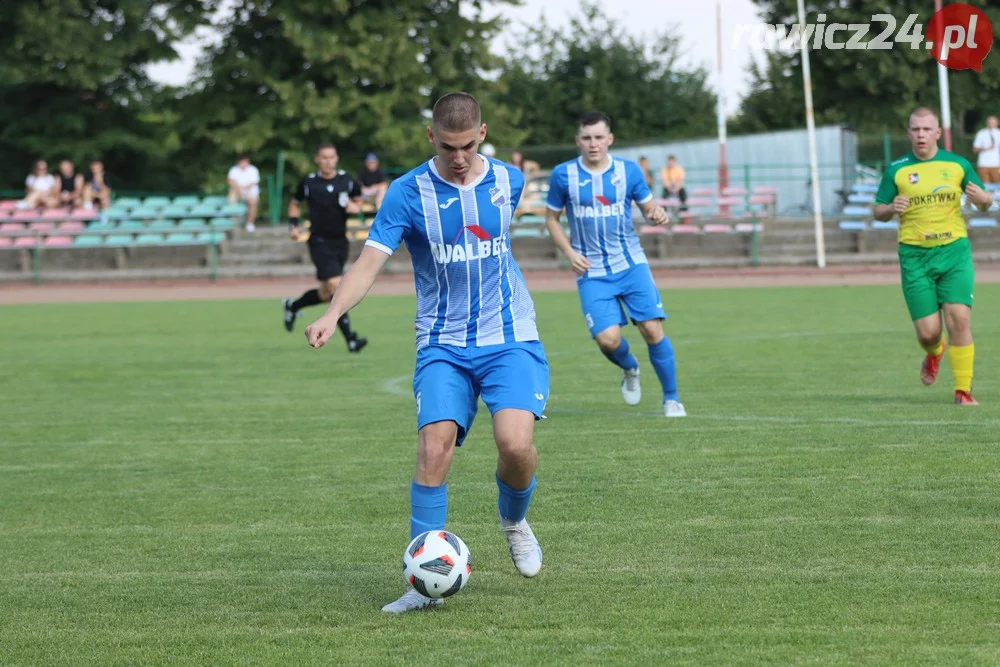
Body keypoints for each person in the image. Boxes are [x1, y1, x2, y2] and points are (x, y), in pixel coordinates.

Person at [304, 92, 548, 614]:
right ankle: (422, 587)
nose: (457, 157)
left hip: (509, 334)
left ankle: (513, 520)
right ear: (430, 137)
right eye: (446, 146)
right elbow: (370, 261)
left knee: (515, 446)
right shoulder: (406, 192)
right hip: (441, 340)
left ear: (482, 133)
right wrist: (332, 314)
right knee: (433, 449)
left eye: (466, 145)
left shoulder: (510, 180)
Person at [545, 111, 685, 418]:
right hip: (591, 270)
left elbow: (649, 208)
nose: (593, 144)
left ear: (610, 139)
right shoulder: (562, 175)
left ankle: (672, 399)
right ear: (577, 140)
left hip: (630, 263)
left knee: (651, 328)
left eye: (598, 137)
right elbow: (551, 219)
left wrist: (657, 214)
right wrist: (569, 253)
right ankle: (630, 367)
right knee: (608, 340)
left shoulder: (629, 171)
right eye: (586, 138)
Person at [874, 106, 993, 405]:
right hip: (914, 256)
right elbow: (878, 210)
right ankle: (934, 352)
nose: (921, 134)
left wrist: (983, 200)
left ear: (938, 132)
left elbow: (985, 201)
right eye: (915, 129)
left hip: (954, 251)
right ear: (909, 133)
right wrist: (890, 208)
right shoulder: (897, 169)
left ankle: (963, 391)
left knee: (960, 321)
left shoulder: (957, 165)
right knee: (929, 334)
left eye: (927, 129)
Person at [282, 143, 368, 353]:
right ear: (317, 159)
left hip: (340, 241)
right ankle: (351, 340)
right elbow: (294, 203)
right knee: (337, 286)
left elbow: (359, 200)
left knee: (326, 292)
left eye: (331, 157)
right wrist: (293, 226)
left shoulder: (346, 180)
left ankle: (293, 306)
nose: (328, 161)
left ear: (336, 158)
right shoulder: (310, 183)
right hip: (318, 241)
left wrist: (355, 206)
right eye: (324, 157)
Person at [227, 154, 260, 231]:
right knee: (231, 199)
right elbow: (230, 180)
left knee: (253, 203)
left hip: (250, 192)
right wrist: (239, 189)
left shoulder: (253, 169)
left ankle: (250, 223)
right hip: (237, 191)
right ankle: (235, 221)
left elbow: (253, 183)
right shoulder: (234, 169)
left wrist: (243, 189)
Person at [972, 115, 1000, 184]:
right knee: (985, 187)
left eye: (993, 122)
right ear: (987, 123)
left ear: (997, 123)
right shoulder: (981, 133)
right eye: (990, 122)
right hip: (983, 164)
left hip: (997, 164)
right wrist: (986, 148)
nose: (991, 124)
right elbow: (975, 149)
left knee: (998, 186)